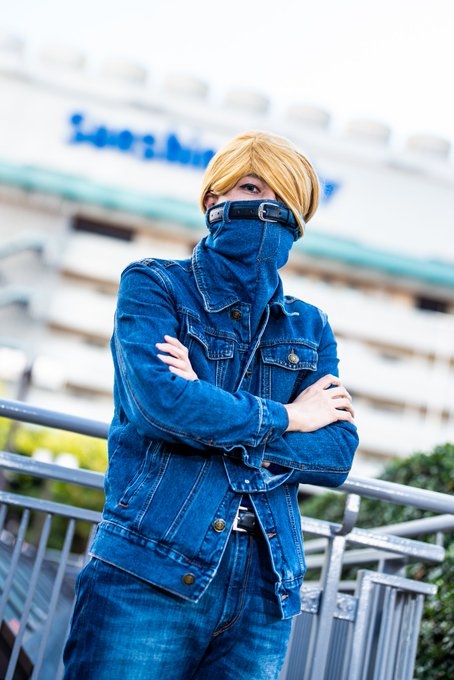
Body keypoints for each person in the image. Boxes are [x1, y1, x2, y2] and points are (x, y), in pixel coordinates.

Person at [63, 130, 358, 679]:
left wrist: (207, 403)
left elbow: (336, 453)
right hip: (150, 564)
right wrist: (292, 416)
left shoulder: (309, 325)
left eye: (287, 199)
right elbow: (162, 407)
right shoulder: (155, 285)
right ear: (212, 199)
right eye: (252, 188)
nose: (270, 208)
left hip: (267, 587)